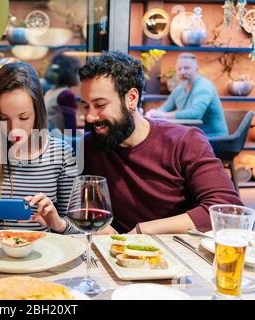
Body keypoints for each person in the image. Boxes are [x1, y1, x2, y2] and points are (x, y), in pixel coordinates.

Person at [77, 51, 242, 234]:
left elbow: (227, 209)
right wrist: (101, 226)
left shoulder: (185, 141)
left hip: (178, 253)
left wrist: (143, 231)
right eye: (86, 105)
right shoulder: (91, 146)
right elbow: (83, 203)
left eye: (100, 105)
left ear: (131, 98)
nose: (90, 116)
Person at [0, 62, 78, 234]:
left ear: (37, 112)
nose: (13, 129)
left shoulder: (61, 154)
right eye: (3, 118)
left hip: (44, 257)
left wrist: (59, 224)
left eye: (23, 117)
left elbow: (78, 227)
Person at [146, 52, 228, 137]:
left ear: (196, 69)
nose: (182, 72)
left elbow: (195, 114)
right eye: (179, 69)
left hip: (214, 138)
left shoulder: (204, 87)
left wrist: (164, 115)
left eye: (186, 68)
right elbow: (165, 108)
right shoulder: (179, 89)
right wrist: (154, 113)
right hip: (194, 136)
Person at [43, 49, 81, 132]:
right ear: (72, 71)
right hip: (61, 142)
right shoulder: (66, 95)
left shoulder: (50, 92)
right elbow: (71, 132)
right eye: (78, 70)